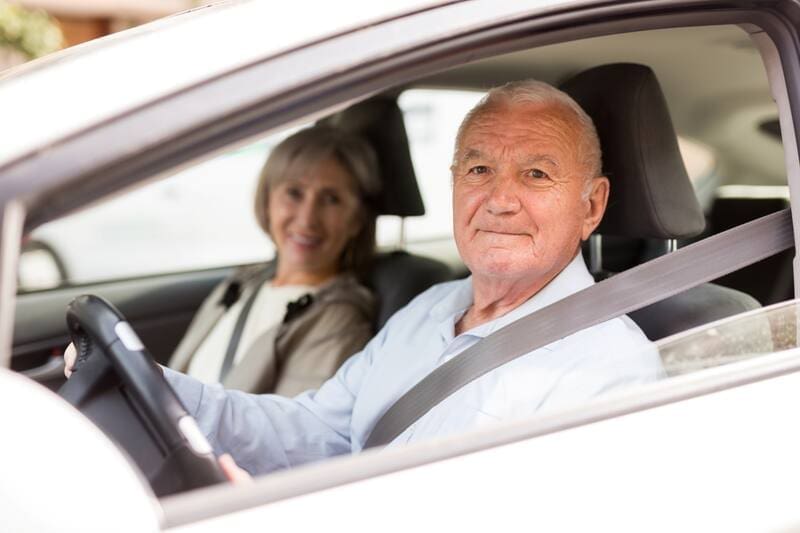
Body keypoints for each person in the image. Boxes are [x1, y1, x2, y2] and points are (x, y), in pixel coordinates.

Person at [66, 80, 663, 476]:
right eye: (479, 167)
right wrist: (162, 389)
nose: (500, 199)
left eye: (535, 174)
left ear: (591, 206)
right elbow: (315, 431)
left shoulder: (610, 370)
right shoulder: (430, 308)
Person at [160, 126, 380, 395]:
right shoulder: (239, 285)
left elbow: (292, 431)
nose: (307, 218)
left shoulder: (338, 320)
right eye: (294, 193)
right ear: (267, 202)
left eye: (331, 199)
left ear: (356, 220)